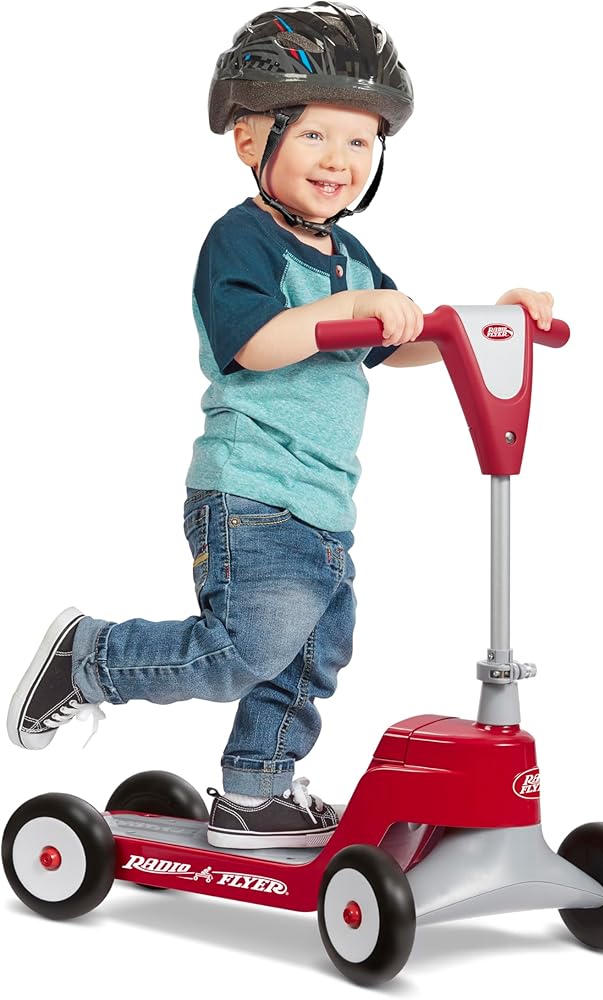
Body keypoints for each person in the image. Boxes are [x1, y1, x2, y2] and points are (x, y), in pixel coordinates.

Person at [6, 2, 553, 850]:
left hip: (325, 505)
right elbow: (255, 345)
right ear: (249, 139)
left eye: (360, 142)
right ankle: (88, 657)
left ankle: (255, 793)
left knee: (311, 656)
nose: (340, 160)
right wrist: (348, 311)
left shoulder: (349, 258)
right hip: (251, 493)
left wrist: (482, 322)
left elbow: (393, 344)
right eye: (316, 135)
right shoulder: (242, 241)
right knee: (244, 650)